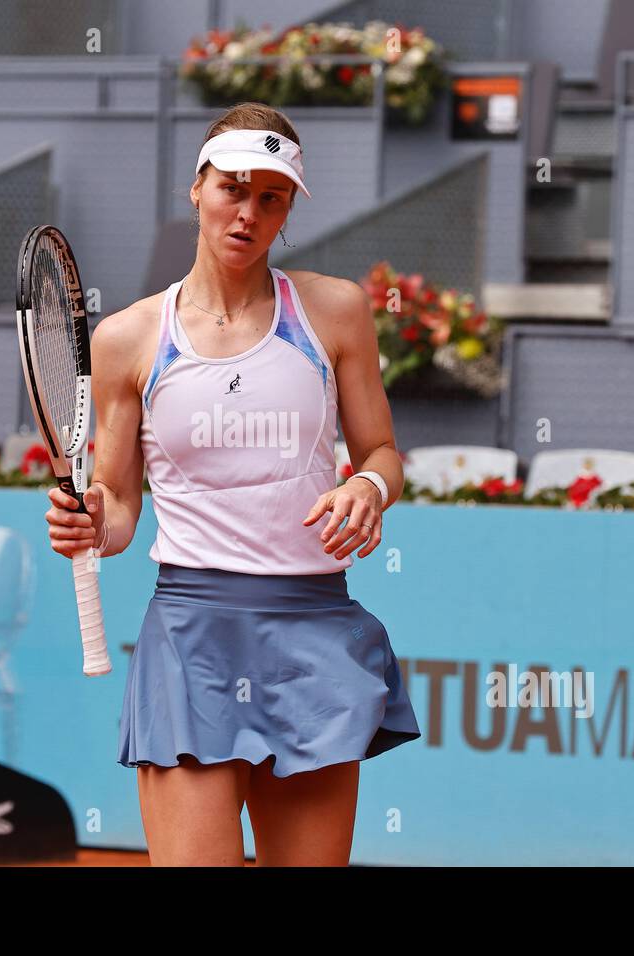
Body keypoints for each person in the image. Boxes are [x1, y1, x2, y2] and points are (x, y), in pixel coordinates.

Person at [44, 103, 421, 866]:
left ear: (287, 210)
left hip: (314, 630)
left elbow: (381, 450)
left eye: (271, 197)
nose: (248, 212)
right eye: (233, 188)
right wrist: (93, 520)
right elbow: (119, 509)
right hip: (192, 640)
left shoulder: (336, 312)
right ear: (198, 187)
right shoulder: (127, 338)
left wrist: (369, 490)